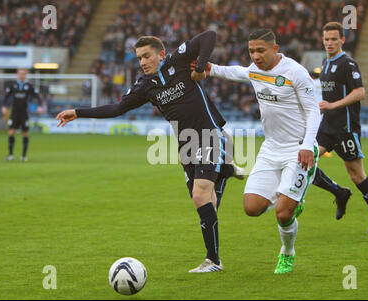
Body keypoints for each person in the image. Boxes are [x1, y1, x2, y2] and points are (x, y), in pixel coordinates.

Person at [56, 30, 245, 273]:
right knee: (207, 203)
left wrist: (199, 66)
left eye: (147, 56)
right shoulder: (145, 86)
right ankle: (226, 169)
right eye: (139, 58)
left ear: (161, 55)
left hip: (210, 135)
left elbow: (209, 35)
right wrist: (79, 112)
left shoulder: (178, 61)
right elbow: (117, 109)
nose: (143, 62)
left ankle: (213, 261)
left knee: (201, 195)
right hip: (186, 144)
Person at [201, 29, 321, 274]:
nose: (255, 56)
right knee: (251, 208)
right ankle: (290, 197)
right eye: (251, 51)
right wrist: (211, 68)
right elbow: (238, 72)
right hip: (271, 148)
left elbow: (313, 111)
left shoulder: (295, 72)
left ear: (275, 49)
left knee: (283, 213)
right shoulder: (255, 70)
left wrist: (308, 144)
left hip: (298, 148)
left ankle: (287, 252)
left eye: (260, 50)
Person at [312, 21, 368, 233]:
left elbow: (360, 93)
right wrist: (321, 108)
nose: (329, 43)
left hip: (345, 127)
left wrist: (332, 105)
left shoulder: (348, 64)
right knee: (306, 161)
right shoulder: (325, 63)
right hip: (327, 126)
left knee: (356, 174)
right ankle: (338, 192)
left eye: (334, 39)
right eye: (326, 39)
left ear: (342, 40)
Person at [2, 68, 43, 162]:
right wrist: (4, 106)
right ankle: (10, 155)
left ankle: (24, 156)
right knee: (11, 132)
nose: (22, 75)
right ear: (17, 74)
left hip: (24, 113)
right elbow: (6, 96)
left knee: (25, 133)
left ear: (26, 75)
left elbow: (37, 96)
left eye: (23, 74)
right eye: (20, 73)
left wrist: (40, 106)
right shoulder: (13, 85)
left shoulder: (29, 86)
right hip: (14, 112)